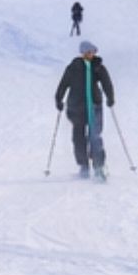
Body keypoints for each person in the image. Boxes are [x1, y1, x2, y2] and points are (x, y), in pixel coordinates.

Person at [55, 40, 116, 180]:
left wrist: (110, 97)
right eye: (88, 52)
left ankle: (99, 166)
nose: (90, 54)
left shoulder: (98, 66)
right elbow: (63, 84)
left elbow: (107, 82)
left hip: (94, 105)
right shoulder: (73, 67)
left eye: (92, 52)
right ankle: (83, 166)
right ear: (82, 53)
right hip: (77, 107)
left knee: (95, 136)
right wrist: (58, 99)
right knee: (78, 138)